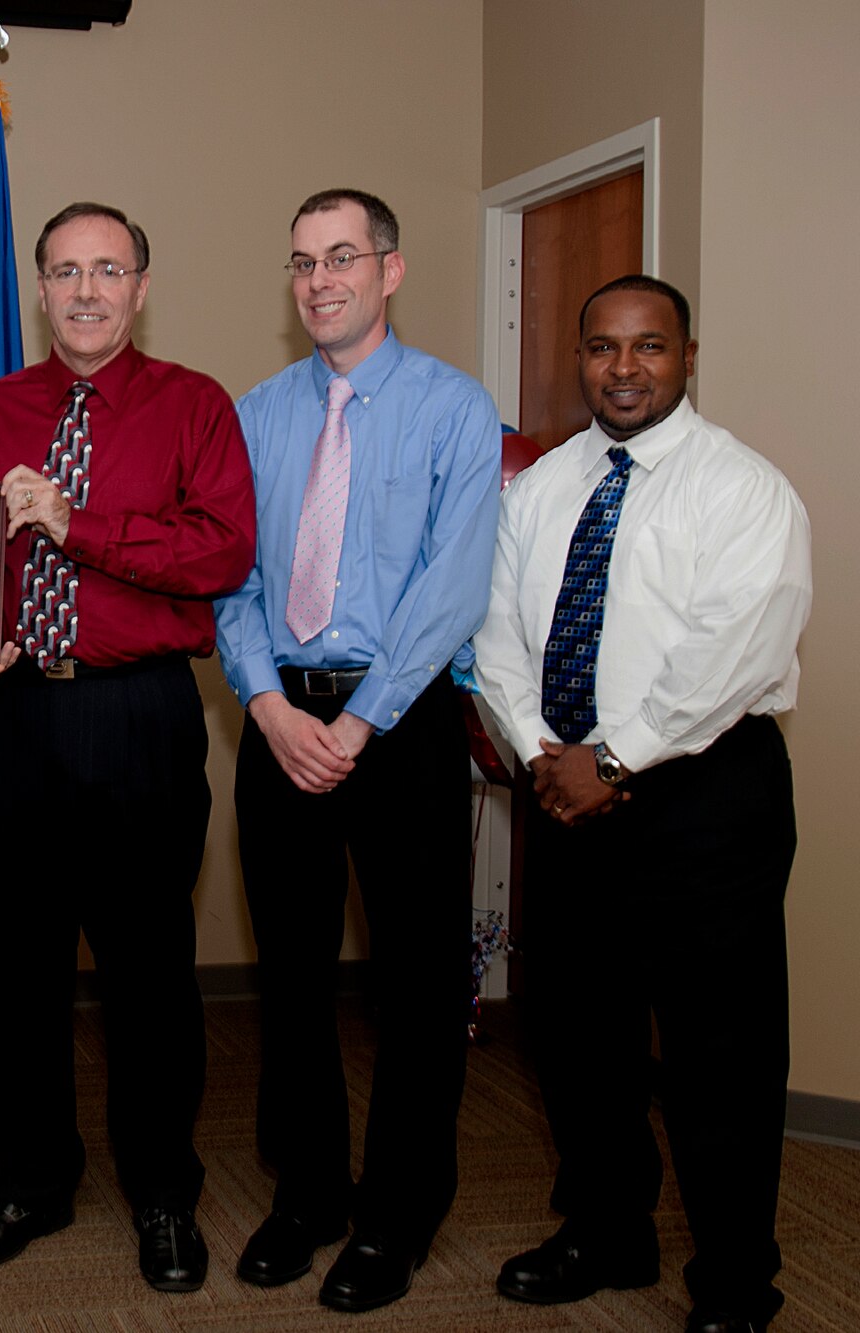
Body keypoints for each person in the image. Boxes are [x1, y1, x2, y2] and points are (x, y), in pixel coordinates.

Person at [473, 276, 810, 1333]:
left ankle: (731, 1282)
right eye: (603, 348)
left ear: (686, 355)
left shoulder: (742, 489)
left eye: (647, 347)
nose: (623, 369)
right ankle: (603, 1232)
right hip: (562, 793)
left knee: (718, 1054)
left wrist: (612, 759)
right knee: (575, 1036)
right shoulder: (537, 489)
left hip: (701, 797)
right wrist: (540, 756)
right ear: (578, 357)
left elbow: (732, 652)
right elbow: (492, 638)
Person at [0, 202, 255, 1293]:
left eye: (106, 269)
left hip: (139, 717)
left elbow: (219, 552)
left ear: (140, 286)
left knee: (148, 970)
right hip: (15, 715)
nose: (83, 291)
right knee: (17, 962)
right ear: (38, 288)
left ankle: (162, 1190)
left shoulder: (193, 406)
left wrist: (77, 525)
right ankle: (28, 1179)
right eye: (63, 271)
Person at [212, 188, 500, 1312]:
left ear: (388, 269)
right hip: (277, 722)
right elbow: (228, 576)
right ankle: (309, 1196)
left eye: (340, 257)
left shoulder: (451, 408)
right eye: (299, 261)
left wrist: (357, 721)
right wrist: (268, 706)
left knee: (416, 982)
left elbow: (452, 584)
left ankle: (395, 1214)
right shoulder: (253, 412)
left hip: (403, 721)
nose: (318, 279)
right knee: (288, 972)